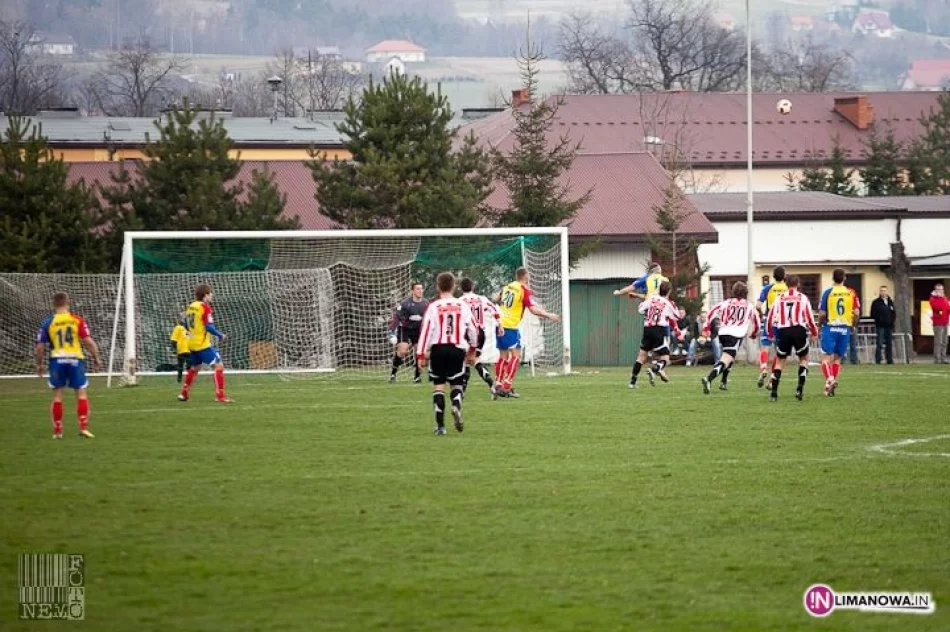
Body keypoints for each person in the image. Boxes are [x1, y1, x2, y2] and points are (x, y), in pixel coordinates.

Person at [417, 272, 477, 435]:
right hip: (457, 349)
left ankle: (441, 427)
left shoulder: (433, 306)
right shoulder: (462, 305)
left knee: (438, 387)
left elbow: (426, 331)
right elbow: (473, 329)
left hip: (438, 350)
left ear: (438, 287)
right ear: (454, 286)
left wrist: (421, 355)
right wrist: (472, 350)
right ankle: (456, 406)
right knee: (456, 384)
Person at [35, 292, 101, 439]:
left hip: (57, 361)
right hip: (75, 360)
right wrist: (96, 357)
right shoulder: (76, 320)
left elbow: (40, 347)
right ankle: (83, 427)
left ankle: (58, 430)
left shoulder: (48, 322)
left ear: (53, 305)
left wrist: (39, 364)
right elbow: (88, 342)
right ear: (68, 303)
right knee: (81, 393)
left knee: (58, 396)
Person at [495, 267, 560, 398]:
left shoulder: (508, 286)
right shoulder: (524, 289)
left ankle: (497, 384)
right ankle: (507, 385)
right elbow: (533, 309)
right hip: (510, 326)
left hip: (500, 324)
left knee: (503, 356)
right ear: (525, 276)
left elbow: (497, 299)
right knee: (516, 356)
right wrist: (548, 315)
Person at [766, 275, 819, 402]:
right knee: (804, 359)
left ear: (786, 284)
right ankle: (799, 389)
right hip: (798, 330)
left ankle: (774, 393)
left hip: (783, 331)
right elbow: (809, 317)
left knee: (780, 361)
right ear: (798, 284)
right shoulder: (802, 297)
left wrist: (770, 333)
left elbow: (770, 316)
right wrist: (814, 331)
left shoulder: (780, 298)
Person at [701, 282, 759, 394]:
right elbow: (756, 321)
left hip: (723, 333)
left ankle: (723, 382)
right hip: (736, 335)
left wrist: (706, 328)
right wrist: (754, 333)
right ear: (745, 293)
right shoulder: (749, 305)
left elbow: (711, 312)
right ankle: (709, 378)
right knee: (726, 359)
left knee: (730, 357)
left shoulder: (726, 302)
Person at [178, 283, 231, 403]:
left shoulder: (191, 306)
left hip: (191, 343)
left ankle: (184, 393)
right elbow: (209, 327)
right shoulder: (205, 307)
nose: (211, 295)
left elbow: (185, 324)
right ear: (205, 295)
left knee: (195, 367)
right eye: (209, 293)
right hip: (202, 345)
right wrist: (220, 335)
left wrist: (192, 334)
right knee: (218, 366)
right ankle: (220, 395)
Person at [630, 281, 684, 388]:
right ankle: (655, 370)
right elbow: (678, 317)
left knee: (641, 357)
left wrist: (649, 312)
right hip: (659, 330)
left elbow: (640, 309)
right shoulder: (669, 303)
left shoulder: (651, 299)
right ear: (669, 291)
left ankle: (632, 382)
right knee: (665, 358)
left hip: (647, 329)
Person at [818, 269, 860, 397]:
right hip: (844, 328)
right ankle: (829, 385)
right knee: (837, 359)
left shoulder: (828, 292)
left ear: (833, 278)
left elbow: (822, 313)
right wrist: (853, 325)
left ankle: (830, 379)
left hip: (830, 327)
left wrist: (820, 325)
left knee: (825, 358)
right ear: (844, 278)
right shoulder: (851, 292)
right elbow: (857, 312)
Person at [459, 278, 502, 395]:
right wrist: (500, 325)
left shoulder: (460, 301)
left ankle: (461, 391)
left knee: (465, 361)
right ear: (473, 287)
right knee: (476, 360)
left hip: (467, 333)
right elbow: (493, 309)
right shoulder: (481, 299)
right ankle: (492, 384)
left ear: (461, 288)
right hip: (480, 333)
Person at [388, 282, 429, 383]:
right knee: (402, 351)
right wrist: (391, 331)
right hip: (405, 329)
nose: (420, 291)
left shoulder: (426, 303)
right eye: (418, 289)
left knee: (419, 352)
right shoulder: (405, 303)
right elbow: (396, 318)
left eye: (421, 289)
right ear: (413, 291)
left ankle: (417, 376)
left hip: (418, 330)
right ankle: (393, 374)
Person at [755, 266, 788, 388]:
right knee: (779, 353)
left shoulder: (768, 288)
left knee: (765, 346)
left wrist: (762, 315)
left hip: (770, 321)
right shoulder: (788, 289)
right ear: (784, 276)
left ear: (773, 277)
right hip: (783, 324)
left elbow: (758, 305)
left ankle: (763, 368)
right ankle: (772, 377)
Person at [870, 285, 896, 364]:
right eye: (882, 291)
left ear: (887, 292)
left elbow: (894, 313)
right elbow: (872, 314)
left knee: (889, 344)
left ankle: (889, 360)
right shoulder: (876, 302)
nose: (883, 292)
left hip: (889, 326)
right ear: (880, 292)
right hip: (880, 326)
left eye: (885, 290)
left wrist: (892, 321)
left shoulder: (891, 302)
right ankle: (878, 360)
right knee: (879, 343)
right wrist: (880, 319)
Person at [930, 283, 949, 364]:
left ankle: (943, 358)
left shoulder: (945, 298)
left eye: (942, 289)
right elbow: (938, 307)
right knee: (938, 342)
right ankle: (937, 359)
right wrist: (939, 297)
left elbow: (947, 308)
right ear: (935, 290)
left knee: (945, 341)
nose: (941, 291)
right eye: (939, 289)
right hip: (938, 323)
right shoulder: (933, 299)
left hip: (945, 322)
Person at [169, 314, 190, 382]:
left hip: (190, 350)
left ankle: (189, 378)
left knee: (189, 365)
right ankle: (179, 379)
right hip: (181, 350)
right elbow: (174, 340)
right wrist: (175, 348)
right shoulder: (178, 328)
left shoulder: (191, 330)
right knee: (180, 365)